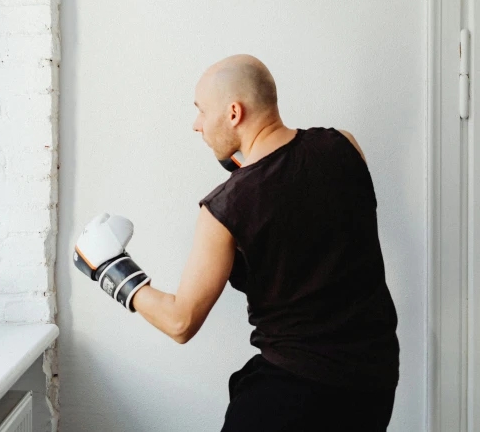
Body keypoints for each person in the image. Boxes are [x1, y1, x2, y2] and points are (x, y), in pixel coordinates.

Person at [72, 54, 400, 431]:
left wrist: (109, 268)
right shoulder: (344, 145)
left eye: (201, 110)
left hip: (293, 395)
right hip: (373, 383)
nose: (196, 125)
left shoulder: (225, 208)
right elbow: (304, 204)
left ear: (233, 113)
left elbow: (181, 322)